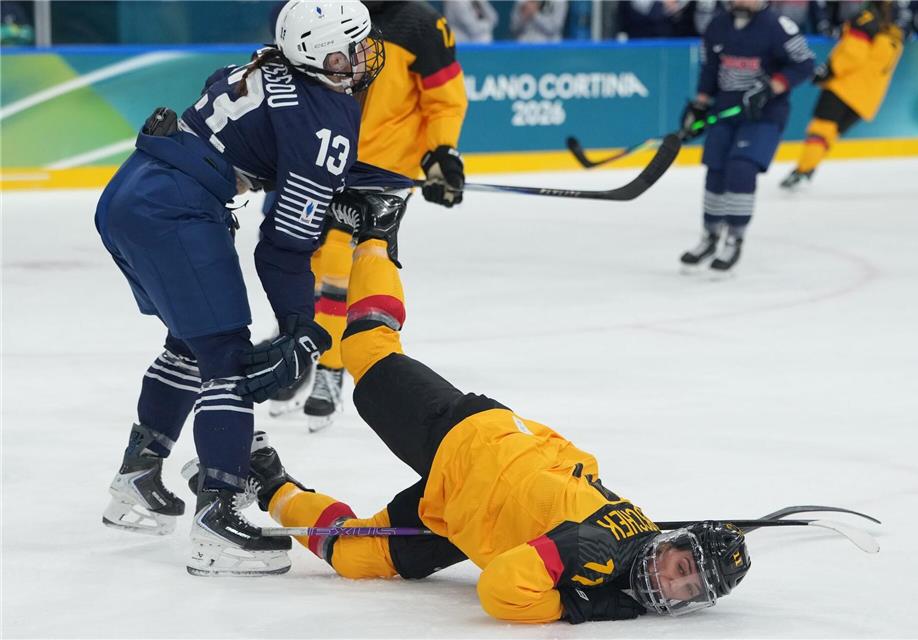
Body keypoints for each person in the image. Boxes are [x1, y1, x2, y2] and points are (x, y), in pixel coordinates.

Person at [186, 188, 752, 623]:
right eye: (680, 568)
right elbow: (502, 589)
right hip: (465, 437)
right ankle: (379, 234)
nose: (672, 584)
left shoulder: (624, 552)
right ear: (672, 545)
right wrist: (573, 603)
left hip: (457, 516)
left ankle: (268, 479)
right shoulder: (598, 553)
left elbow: (577, 468)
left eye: (688, 589)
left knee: (356, 557)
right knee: (364, 347)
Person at [95, 0, 387, 576]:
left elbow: (273, 146)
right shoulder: (325, 113)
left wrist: (336, 181)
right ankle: (217, 520)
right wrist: (303, 327)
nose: (361, 56)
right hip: (175, 212)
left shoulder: (263, 64)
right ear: (320, 52)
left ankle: (138, 474)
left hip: (131, 194)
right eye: (351, 47)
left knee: (190, 341)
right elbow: (282, 245)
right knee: (229, 359)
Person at [269, 0, 469, 433]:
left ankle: (331, 367)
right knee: (306, 259)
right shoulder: (318, 12)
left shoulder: (420, 24)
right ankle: (303, 347)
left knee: (342, 265)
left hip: (382, 173)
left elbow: (445, 100)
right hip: (322, 158)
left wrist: (441, 154)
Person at [678, 0, 814, 271]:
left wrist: (771, 87)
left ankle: (734, 238)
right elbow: (710, 69)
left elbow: (804, 64)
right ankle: (710, 235)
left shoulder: (778, 26)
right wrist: (700, 105)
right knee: (715, 170)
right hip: (725, 111)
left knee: (741, 167)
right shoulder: (717, 25)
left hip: (763, 117)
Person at [781, 1, 904, 189]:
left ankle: (803, 170)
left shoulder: (865, 19)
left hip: (844, 88)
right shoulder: (895, 28)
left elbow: (853, 54)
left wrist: (829, 69)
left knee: (820, 130)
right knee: (830, 134)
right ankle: (808, 168)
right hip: (868, 98)